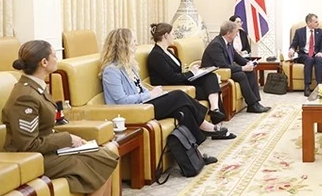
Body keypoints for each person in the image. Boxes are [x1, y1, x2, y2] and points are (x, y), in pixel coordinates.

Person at [3, 40, 138, 196]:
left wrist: (72, 139)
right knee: (99, 160)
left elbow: (45, 129)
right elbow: (28, 144)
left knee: (106, 153)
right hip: (31, 158)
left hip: (45, 150)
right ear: (43, 62)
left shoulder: (36, 87)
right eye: (54, 55)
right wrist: (68, 139)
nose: (57, 58)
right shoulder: (25, 95)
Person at [100, 28, 234, 155]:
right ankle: (205, 125)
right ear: (123, 45)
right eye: (133, 42)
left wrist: (156, 92)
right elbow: (121, 101)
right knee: (179, 96)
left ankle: (196, 152)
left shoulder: (130, 67)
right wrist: (150, 95)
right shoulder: (111, 71)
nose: (136, 44)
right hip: (134, 110)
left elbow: (139, 88)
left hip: (145, 103)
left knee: (183, 111)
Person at [146, 23, 226, 125]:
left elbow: (177, 72)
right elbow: (172, 77)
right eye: (172, 33)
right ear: (166, 35)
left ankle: (215, 110)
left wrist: (194, 72)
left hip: (181, 81)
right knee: (209, 89)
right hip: (172, 86)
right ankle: (216, 120)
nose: (174, 36)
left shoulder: (168, 51)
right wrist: (191, 73)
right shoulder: (156, 55)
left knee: (211, 77)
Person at [204, 21, 270, 113]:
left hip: (227, 69)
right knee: (241, 74)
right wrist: (243, 68)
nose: (236, 35)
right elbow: (223, 65)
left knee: (250, 71)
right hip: (217, 73)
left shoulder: (228, 42)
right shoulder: (216, 45)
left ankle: (255, 104)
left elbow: (236, 56)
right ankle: (252, 104)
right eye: (235, 33)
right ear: (228, 33)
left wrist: (249, 63)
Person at [288, 13, 322, 96]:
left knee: (319, 60)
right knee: (309, 60)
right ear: (309, 22)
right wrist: (291, 50)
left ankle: (319, 86)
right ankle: (307, 87)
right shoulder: (299, 32)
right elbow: (294, 44)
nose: (318, 23)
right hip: (304, 54)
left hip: (316, 54)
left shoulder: (320, 32)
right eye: (316, 22)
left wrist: (321, 53)